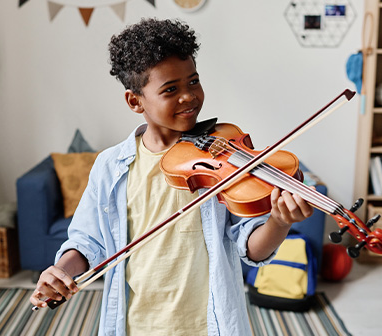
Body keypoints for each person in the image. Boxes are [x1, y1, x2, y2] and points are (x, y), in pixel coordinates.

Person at [30, 18, 313, 335]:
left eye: (193, 81)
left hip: (209, 325)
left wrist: (279, 221)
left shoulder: (224, 156)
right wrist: (60, 271)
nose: (189, 96)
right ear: (135, 101)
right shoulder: (109, 166)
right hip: (135, 324)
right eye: (170, 89)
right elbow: (86, 243)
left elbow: (252, 248)